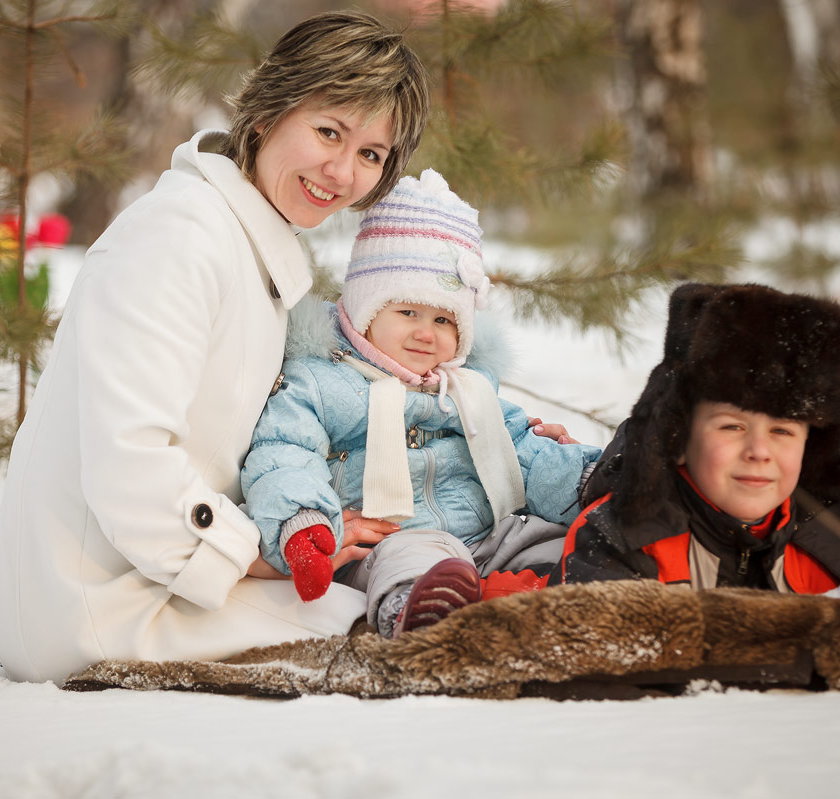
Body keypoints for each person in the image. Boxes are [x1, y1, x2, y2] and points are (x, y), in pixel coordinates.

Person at [0, 10, 433, 683]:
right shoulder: (180, 238)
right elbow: (130, 465)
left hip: (153, 569)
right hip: (103, 602)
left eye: (370, 154)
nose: (341, 171)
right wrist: (258, 554)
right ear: (268, 113)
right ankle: (3, 641)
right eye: (328, 131)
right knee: (388, 631)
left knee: (386, 584)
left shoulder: (247, 244)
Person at [241, 168, 601, 637]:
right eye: (407, 312)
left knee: (562, 541)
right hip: (390, 544)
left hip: (486, 537)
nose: (426, 333)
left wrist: (593, 479)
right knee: (412, 556)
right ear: (365, 312)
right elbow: (286, 454)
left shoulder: (468, 388)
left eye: (443, 320)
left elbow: (524, 454)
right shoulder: (322, 382)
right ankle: (417, 612)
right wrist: (305, 527)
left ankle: (550, 595)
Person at [549, 282, 840, 620]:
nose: (759, 451)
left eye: (782, 430)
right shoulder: (622, 535)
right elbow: (594, 654)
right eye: (732, 427)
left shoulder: (823, 533)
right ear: (680, 438)